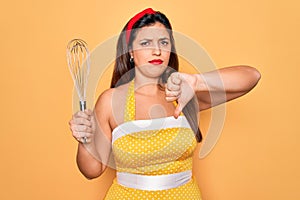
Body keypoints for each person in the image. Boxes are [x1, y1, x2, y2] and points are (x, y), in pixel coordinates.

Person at [69, 8, 261, 199]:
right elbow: (92, 170)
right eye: (145, 43)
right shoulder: (111, 101)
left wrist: (196, 82)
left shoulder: (182, 94)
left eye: (164, 42)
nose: (157, 51)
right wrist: (84, 138)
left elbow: (251, 76)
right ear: (130, 52)